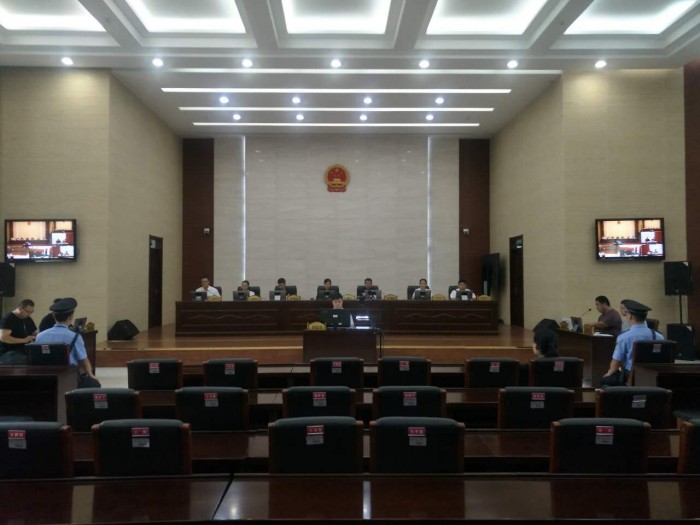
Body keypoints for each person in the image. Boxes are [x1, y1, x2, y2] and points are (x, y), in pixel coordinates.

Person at [35, 298, 100, 388]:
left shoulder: (40, 336)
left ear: (53, 316)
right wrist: (91, 375)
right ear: (71, 316)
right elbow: (84, 360)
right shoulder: (75, 336)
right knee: (95, 384)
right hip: (69, 378)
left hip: (47, 378)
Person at [600, 299, 663, 387]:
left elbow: (616, 362)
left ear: (629, 315)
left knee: (604, 381)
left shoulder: (624, 337)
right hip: (654, 377)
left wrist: (609, 372)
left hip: (631, 377)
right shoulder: (658, 336)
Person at [0, 299, 38, 364]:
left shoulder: (28, 318)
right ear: (20, 308)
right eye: (27, 311)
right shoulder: (8, 318)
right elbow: (4, 337)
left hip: (24, 350)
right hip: (9, 352)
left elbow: (33, 332)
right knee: (24, 360)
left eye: (31, 312)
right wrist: (24, 340)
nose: (29, 314)